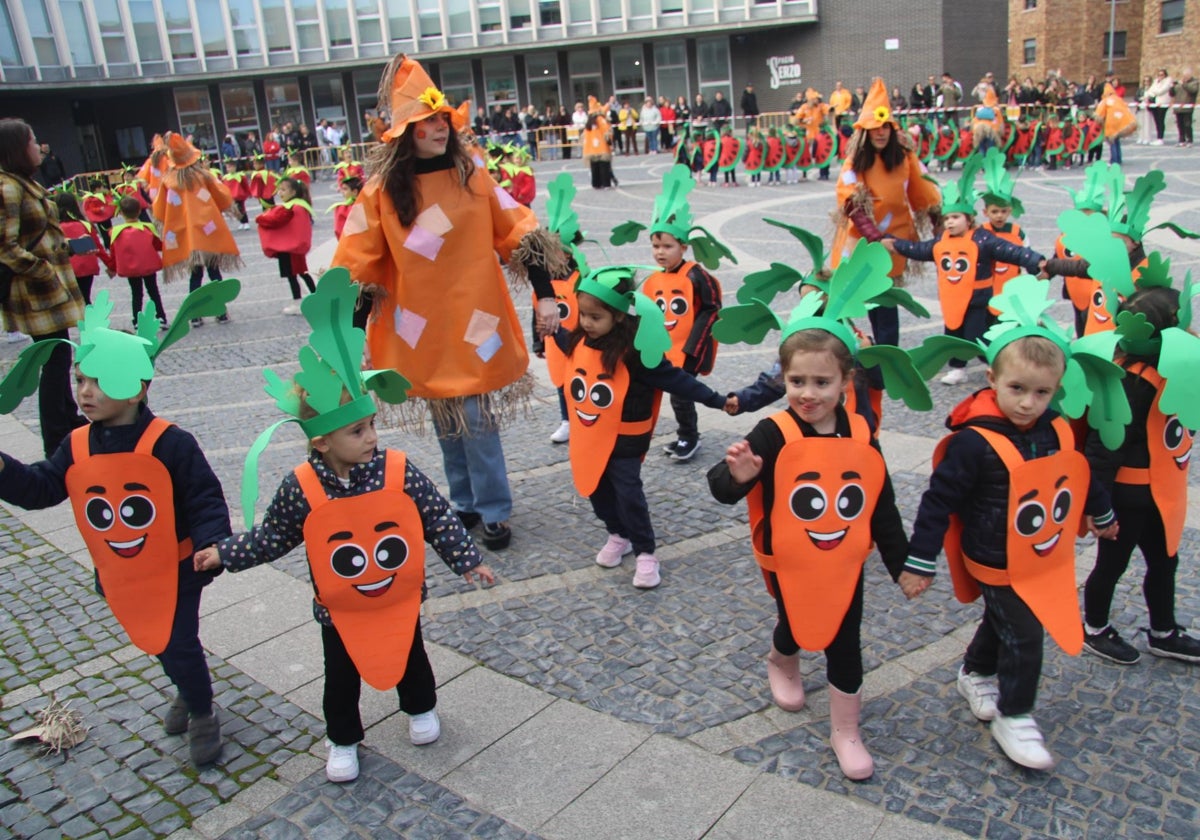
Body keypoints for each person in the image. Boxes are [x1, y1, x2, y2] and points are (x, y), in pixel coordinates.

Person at [193, 268, 492, 784]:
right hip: (340, 609)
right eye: (358, 430)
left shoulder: (396, 470)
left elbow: (435, 516)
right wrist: (225, 554)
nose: (372, 437)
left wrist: (469, 561)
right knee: (342, 676)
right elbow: (274, 536)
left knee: (410, 655)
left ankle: (420, 708)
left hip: (398, 597)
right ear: (322, 443)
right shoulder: (302, 487)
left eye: (372, 424)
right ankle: (344, 739)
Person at [332, 55, 568, 552]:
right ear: (405, 133)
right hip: (420, 325)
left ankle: (494, 509)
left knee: (478, 421)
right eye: (427, 122)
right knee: (447, 422)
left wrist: (546, 294)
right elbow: (359, 264)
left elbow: (517, 229)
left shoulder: (471, 173)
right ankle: (463, 502)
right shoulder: (380, 193)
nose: (440, 128)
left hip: (476, 316)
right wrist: (353, 338)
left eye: (442, 119)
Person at [707, 249, 927, 779]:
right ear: (784, 378)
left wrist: (904, 563)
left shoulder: (859, 432)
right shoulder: (772, 433)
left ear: (846, 383)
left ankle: (845, 729)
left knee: (844, 633)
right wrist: (738, 477)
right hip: (789, 559)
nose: (808, 394)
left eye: (822, 383)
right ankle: (782, 658)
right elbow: (721, 486)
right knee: (797, 620)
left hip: (845, 560)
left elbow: (881, 501)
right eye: (797, 382)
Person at [0, 285, 237, 766]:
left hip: (176, 569)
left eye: (100, 381)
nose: (85, 392)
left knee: (175, 640)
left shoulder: (171, 442)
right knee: (155, 640)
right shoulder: (77, 445)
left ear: (138, 386)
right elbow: (43, 487)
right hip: (120, 572)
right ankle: (185, 685)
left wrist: (214, 545)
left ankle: (201, 709)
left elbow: (204, 498)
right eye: (80, 379)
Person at [906, 277, 1122, 770]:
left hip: (1041, 551)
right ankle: (1016, 713)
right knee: (1026, 632)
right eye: (1017, 389)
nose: (1028, 403)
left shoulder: (1057, 428)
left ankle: (976, 671)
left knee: (1005, 620)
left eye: (1042, 392)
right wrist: (920, 562)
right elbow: (937, 501)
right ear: (991, 381)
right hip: (993, 555)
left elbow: (1078, 474)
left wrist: (1103, 514)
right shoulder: (972, 442)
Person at [553, 267, 726, 589]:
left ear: (618, 316)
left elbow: (675, 379)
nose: (587, 323)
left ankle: (646, 552)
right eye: (584, 315)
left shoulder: (636, 351)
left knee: (628, 492)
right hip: (589, 437)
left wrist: (716, 400)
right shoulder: (579, 340)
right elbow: (560, 348)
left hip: (625, 439)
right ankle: (618, 534)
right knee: (596, 490)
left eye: (595, 317)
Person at [1081, 285, 1200, 665]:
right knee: (1112, 565)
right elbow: (1102, 449)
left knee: (1165, 561)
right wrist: (1099, 508)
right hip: (1128, 496)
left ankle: (1163, 631)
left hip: (1162, 491)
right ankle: (1094, 628)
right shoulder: (1131, 383)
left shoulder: (1174, 372)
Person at [883, 154, 1047, 386]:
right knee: (954, 332)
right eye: (947, 218)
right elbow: (920, 249)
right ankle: (958, 367)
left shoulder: (983, 239)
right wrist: (895, 245)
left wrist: (1035, 262)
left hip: (978, 300)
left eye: (956, 217)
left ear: (969, 219)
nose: (950, 222)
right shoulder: (942, 241)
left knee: (979, 335)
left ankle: (996, 363)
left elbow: (1010, 251)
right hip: (952, 299)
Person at [611, 165, 726, 461]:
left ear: (683, 246)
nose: (660, 252)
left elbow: (711, 310)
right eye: (655, 246)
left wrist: (693, 350)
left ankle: (689, 437)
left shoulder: (696, 275)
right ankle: (666, 435)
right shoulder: (654, 278)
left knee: (682, 395)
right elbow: (646, 313)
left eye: (667, 246)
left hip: (687, 350)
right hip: (662, 349)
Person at [831, 78, 942, 352]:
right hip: (864, 242)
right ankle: (844, 343)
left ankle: (887, 350)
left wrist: (941, 227)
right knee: (859, 295)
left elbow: (923, 191)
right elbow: (849, 199)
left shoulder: (904, 157)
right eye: (874, 128)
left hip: (895, 240)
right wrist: (873, 236)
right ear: (865, 132)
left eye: (885, 127)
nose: (880, 133)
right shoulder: (855, 161)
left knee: (885, 296)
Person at [0, 119, 87, 456]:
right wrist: (43, 270)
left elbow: (43, 234)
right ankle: (56, 434)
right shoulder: (7, 188)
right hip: (35, 290)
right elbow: (5, 246)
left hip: (48, 286)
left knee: (58, 353)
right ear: (17, 148)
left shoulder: (23, 183)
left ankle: (66, 419)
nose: (39, 146)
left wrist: (66, 249)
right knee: (53, 357)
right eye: (33, 140)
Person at [150, 132, 241, 287]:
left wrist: (160, 222)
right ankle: (220, 307)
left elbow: (158, 206)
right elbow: (221, 192)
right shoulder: (203, 176)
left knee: (195, 275)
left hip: (186, 232)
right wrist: (230, 207)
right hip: (208, 228)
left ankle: (195, 308)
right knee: (214, 271)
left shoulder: (169, 180)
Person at [255, 176, 315, 313]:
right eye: (279, 190)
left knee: (293, 275)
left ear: (293, 192)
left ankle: (298, 302)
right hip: (294, 248)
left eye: (283, 190)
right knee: (302, 273)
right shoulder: (299, 205)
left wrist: (260, 218)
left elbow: (275, 220)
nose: (280, 193)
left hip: (289, 249)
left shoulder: (290, 207)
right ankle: (316, 296)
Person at [110, 196, 168, 328]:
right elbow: (159, 245)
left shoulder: (116, 232)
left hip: (131, 269)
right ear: (139, 212)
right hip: (148, 265)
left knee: (136, 293)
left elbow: (113, 252)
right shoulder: (147, 228)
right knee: (153, 291)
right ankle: (161, 317)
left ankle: (136, 320)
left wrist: (111, 267)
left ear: (121, 213)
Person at [53, 190, 107, 306]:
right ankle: (89, 321)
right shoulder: (84, 224)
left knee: (74, 300)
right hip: (88, 266)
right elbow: (98, 247)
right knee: (85, 297)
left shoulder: (55, 228)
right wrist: (110, 264)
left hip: (68, 267)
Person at [583, 111, 615, 189]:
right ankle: (606, 183)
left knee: (594, 166)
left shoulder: (588, 123)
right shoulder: (602, 121)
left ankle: (596, 184)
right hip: (602, 147)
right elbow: (607, 133)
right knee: (604, 166)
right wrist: (610, 144)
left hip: (591, 149)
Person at [1146, 68, 1173, 145]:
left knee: (1161, 120)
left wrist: (1154, 92)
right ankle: (1158, 137)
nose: (1160, 76)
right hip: (1154, 103)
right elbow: (1150, 91)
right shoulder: (1156, 81)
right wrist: (1154, 92)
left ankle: (1161, 138)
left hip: (1163, 103)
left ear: (1165, 75)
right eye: (1159, 75)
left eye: (1162, 75)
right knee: (1156, 121)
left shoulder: (1168, 82)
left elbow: (1161, 91)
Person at [1172, 68, 1198, 147]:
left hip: (1187, 107)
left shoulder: (1195, 82)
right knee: (1180, 125)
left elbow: (1193, 90)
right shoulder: (1180, 83)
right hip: (1178, 107)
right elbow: (1173, 93)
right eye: (1184, 75)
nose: (1184, 77)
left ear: (1190, 75)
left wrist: (1184, 84)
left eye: (1186, 76)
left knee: (1187, 125)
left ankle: (1189, 140)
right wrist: (1172, 87)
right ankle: (1181, 140)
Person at [331, 175, 361, 240]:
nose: (342, 192)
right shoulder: (365, 204)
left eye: (345, 189)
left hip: (349, 243)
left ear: (355, 192)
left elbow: (339, 231)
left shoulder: (344, 209)